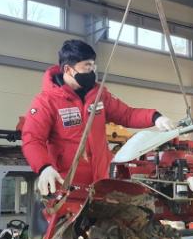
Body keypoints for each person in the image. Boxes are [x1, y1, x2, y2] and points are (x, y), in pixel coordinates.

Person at [22, 39, 175, 195]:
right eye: (87, 66)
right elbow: (32, 139)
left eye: (93, 66)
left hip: (101, 182)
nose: (92, 71)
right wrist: (44, 167)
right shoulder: (47, 102)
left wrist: (155, 117)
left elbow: (127, 115)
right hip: (67, 185)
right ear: (68, 69)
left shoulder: (98, 96)